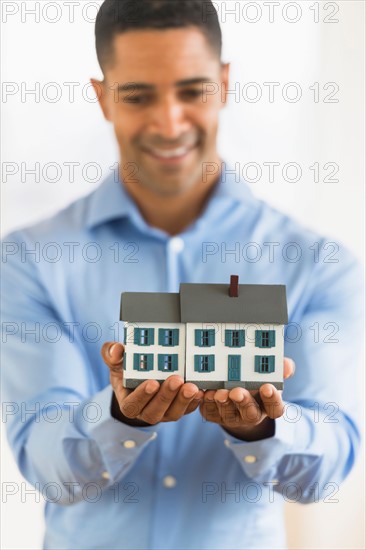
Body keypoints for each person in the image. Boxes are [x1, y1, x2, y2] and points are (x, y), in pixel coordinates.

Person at [1, 1, 363, 549]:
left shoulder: (319, 264)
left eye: (192, 91)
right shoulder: (29, 260)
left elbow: (323, 473)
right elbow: (48, 468)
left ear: (223, 85)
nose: (169, 123)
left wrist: (261, 427)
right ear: (103, 99)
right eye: (139, 95)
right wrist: (118, 416)